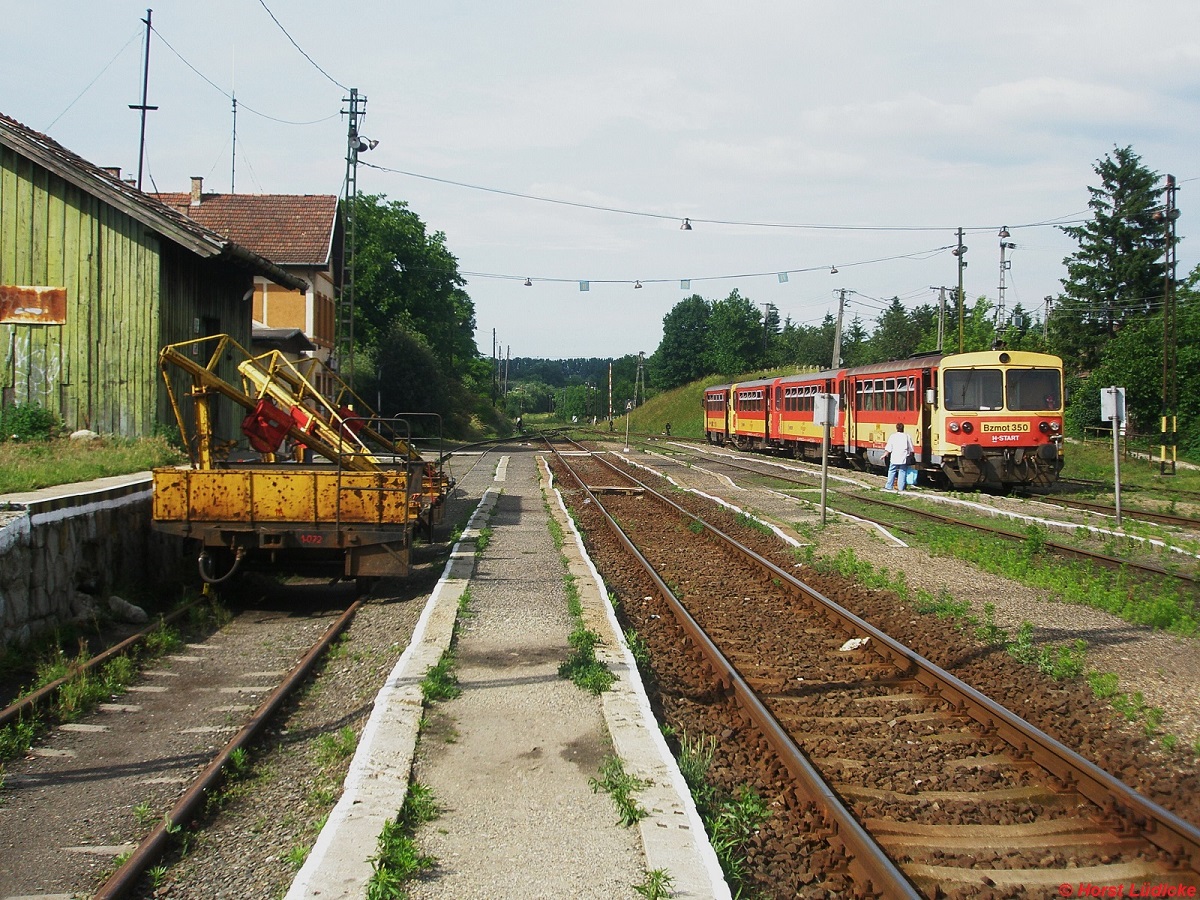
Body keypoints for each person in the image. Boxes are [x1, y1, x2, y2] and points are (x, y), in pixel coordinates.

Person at [883, 422, 914, 491]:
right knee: (902, 472)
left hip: (894, 457)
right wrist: (910, 455)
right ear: (903, 428)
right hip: (903, 457)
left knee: (891, 471)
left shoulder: (893, 436)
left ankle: (889, 486)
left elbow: (889, 448)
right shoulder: (907, 436)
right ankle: (901, 488)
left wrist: (884, 455)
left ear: (896, 428)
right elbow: (911, 448)